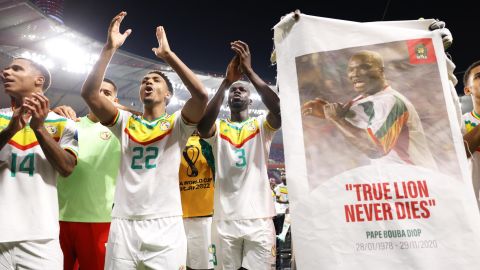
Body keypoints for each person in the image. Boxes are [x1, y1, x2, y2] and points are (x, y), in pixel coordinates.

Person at [81, 11, 208, 269]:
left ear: (168, 96)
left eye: (155, 80)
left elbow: (201, 96)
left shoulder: (176, 124)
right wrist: (109, 49)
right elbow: (90, 94)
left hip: (165, 223)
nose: (148, 82)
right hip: (124, 223)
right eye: (144, 81)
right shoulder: (125, 122)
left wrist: (168, 56)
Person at [198, 40, 281, 270]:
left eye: (242, 89)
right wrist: (226, 82)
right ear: (227, 98)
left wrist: (250, 72)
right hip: (224, 219)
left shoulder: (261, 126)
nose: (237, 91)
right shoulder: (218, 128)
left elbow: (279, 110)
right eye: (234, 90)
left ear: (250, 100)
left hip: (260, 218)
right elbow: (202, 127)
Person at [0, 58, 78, 269]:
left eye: (16, 69)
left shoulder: (64, 123)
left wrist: (39, 129)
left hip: (41, 237)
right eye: (6, 69)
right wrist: (9, 131)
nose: (6, 72)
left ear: (38, 80)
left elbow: (67, 168)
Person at [302, 50, 436, 169]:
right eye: (351, 69)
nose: (355, 74)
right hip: (398, 182)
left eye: (364, 67)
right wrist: (326, 112)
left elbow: (375, 149)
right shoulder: (362, 100)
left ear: (381, 71)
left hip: (416, 181)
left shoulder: (391, 101)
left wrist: (336, 118)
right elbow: (348, 118)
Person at [53, 78, 122, 270]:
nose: (99, 95)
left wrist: (119, 110)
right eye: (96, 91)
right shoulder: (69, 123)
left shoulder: (121, 130)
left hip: (99, 219)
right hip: (58, 217)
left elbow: (151, 118)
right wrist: (52, 113)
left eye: (106, 93)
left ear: (116, 100)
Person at [179, 131, 215, 270]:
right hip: (205, 214)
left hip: (178, 215)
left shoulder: (175, 141)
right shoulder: (210, 144)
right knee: (207, 265)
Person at [461, 60, 480, 209]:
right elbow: (459, 154)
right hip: (474, 211)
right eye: (478, 76)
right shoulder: (461, 122)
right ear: (467, 90)